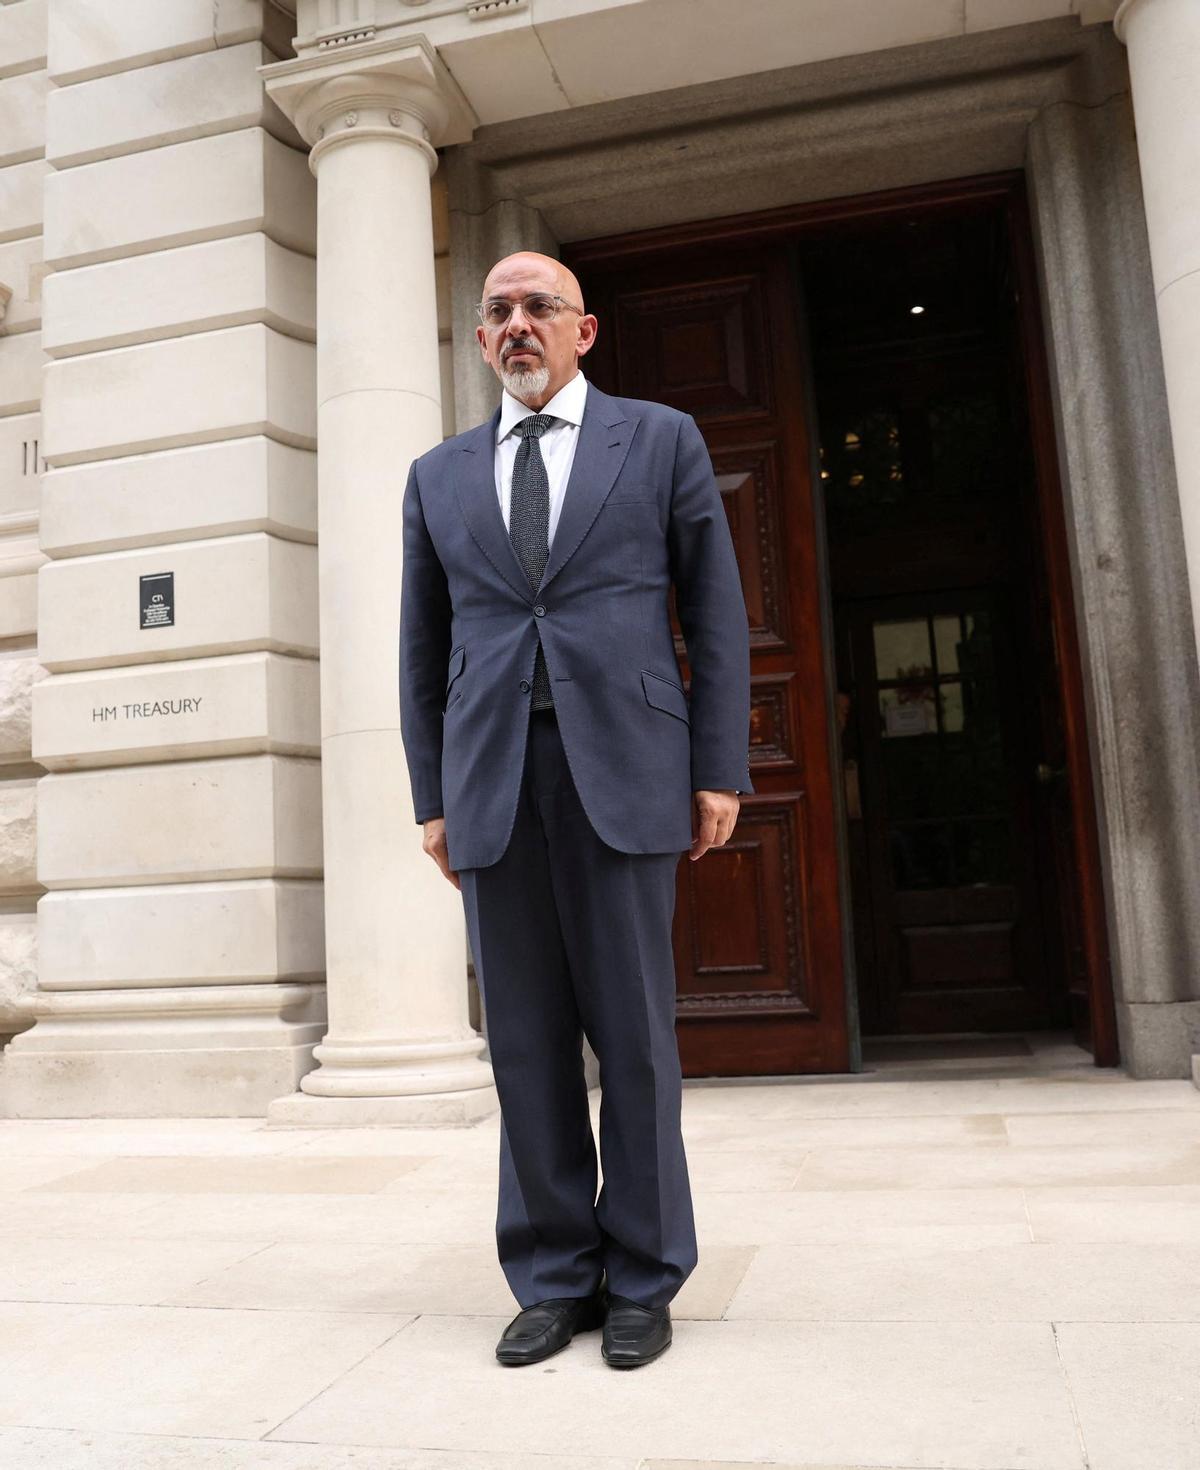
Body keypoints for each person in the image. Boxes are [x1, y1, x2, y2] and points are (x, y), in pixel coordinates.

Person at [398, 250, 753, 1369]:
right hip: (494, 779)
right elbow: (424, 645)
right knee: (527, 1045)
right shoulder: (437, 474)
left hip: (628, 767)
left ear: (583, 331)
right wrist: (432, 795)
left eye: (538, 308)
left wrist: (717, 767)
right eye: (497, 311)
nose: (517, 326)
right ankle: (554, 1275)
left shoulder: (658, 440)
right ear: (481, 338)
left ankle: (644, 1276)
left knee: (636, 1039)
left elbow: (716, 610)